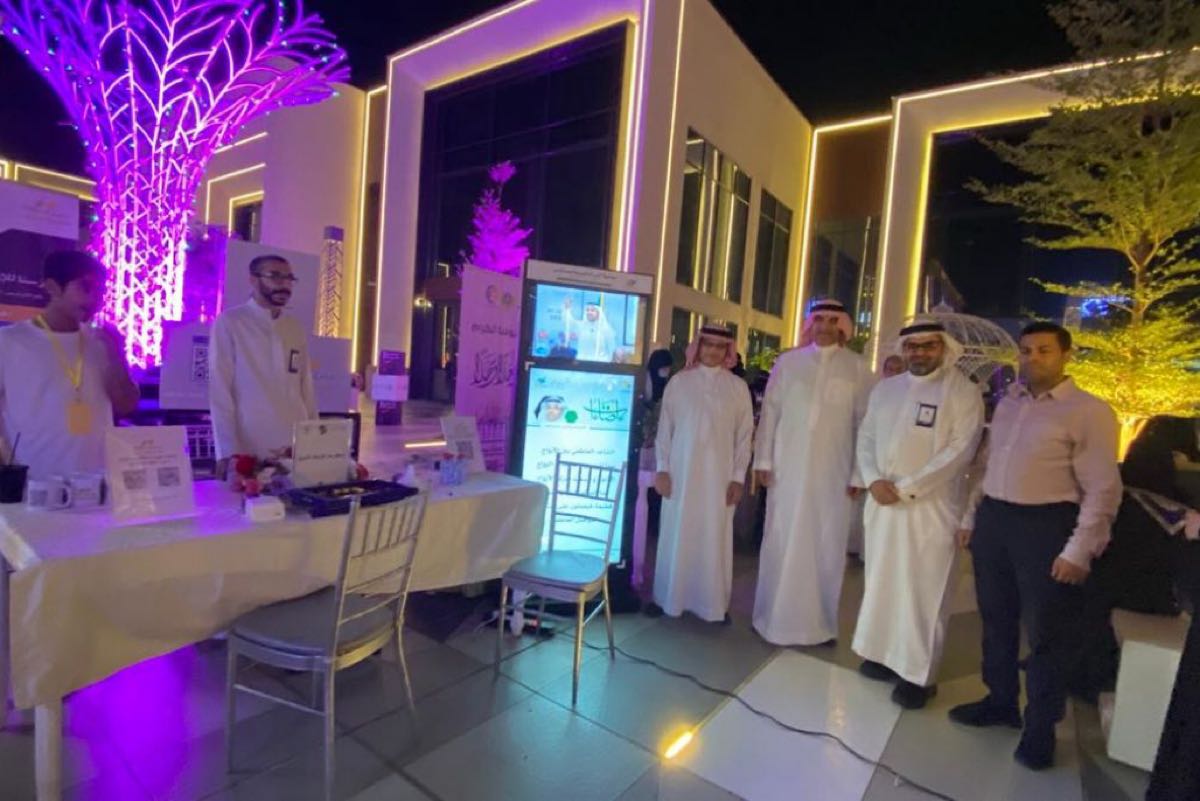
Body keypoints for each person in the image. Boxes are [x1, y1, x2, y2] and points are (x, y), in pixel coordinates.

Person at [949, 322, 1122, 771]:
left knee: (1047, 632)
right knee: (996, 618)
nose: (1033, 358)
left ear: (1066, 355)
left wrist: (1079, 550)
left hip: (1046, 525)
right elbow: (987, 465)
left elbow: (1103, 489)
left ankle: (1040, 729)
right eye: (1026, 350)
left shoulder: (1088, 411)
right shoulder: (1010, 403)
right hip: (996, 520)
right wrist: (971, 517)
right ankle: (1000, 700)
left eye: (1044, 350)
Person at [851, 321, 984, 708]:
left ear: (944, 348)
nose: (919, 353)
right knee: (883, 581)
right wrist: (873, 479)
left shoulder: (962, 392)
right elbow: (867, 437)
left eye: (928, 346)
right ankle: (881, 654)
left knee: (923, 591)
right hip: (882, 503)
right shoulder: (886, 389)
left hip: (931, 508)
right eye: (913, 346)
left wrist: (906, 487)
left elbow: (961, 450)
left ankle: (917, 675)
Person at [752, 299, 874, 645]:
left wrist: (858, 474)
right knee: (781, 536)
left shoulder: (857, 368)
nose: (824, 326)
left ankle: (819, 626)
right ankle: (770, 619)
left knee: (826, 543)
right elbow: (771, 413)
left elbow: (865, 424)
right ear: (810, 324)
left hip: (834, 472)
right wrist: (763, 461)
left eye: (832, 320)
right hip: (786, 468)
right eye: (818, 319)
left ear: (843, 325)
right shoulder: (788, 363)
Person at [0, 250, 139, 480]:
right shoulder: (9, 341)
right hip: (34, 483)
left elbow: (126, 405)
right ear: (52, 287)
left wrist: (115, 355)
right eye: (85, 287)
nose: (95, 299)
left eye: (101, 291)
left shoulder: (102, 342)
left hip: (97, 482)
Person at [650, 325, 754, 622]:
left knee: (714, 536)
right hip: (680, 475)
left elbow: (744, 437)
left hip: (719, 479)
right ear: (698, 347)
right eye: (708, 345)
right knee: (676, 533)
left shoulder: (738, 388)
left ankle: (713, 605)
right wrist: (662, 469)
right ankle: (668, 598)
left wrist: (738, 477)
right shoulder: (679, 382)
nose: (713, 351)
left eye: (720, 347)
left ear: (728, 352)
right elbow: (665, 431)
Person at [209, 254, 317, 475]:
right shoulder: (231, 322)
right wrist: (227, 451)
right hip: (250, 442)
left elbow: (306, 387)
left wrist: (314, 439)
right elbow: (220, 390)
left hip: (294, 440)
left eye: (289, 278)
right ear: (253, 279)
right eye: (275, 276)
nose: (284, 284)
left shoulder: (294, 327)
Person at [563, 294, 616, 362]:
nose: (589, 312)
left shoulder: (606, 329)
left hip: (600, 364)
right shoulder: (581, 326)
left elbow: (611, 350)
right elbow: (568, 322)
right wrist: (567, 309)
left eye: (592, 310)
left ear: (599, 313)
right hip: (582, 362)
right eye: (587, 310)